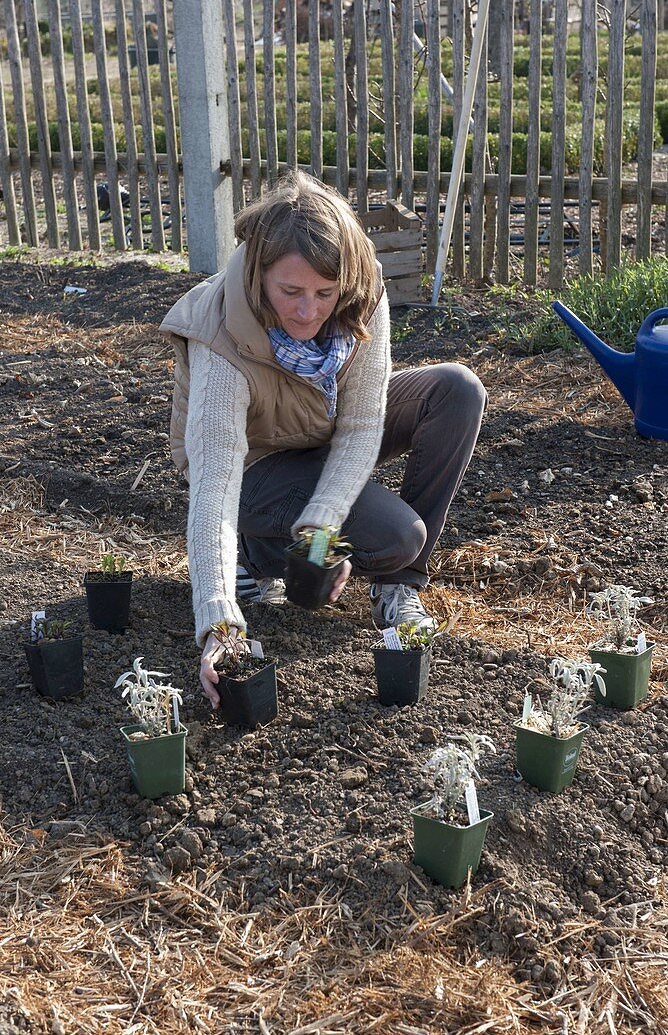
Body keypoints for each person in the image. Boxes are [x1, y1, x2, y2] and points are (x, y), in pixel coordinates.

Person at [160, 172, 486, 710]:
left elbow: (361, 428)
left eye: (323, 293)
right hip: (254, 466)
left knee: (454, 389)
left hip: (323, 430)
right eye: (290, 292)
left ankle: (397, 586)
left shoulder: (362, 293)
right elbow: (215, 483)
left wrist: (320, 530)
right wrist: (218, 620)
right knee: (397, 533)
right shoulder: (220, 333)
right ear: (260, 273)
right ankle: (254, 552)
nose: (309, 311)